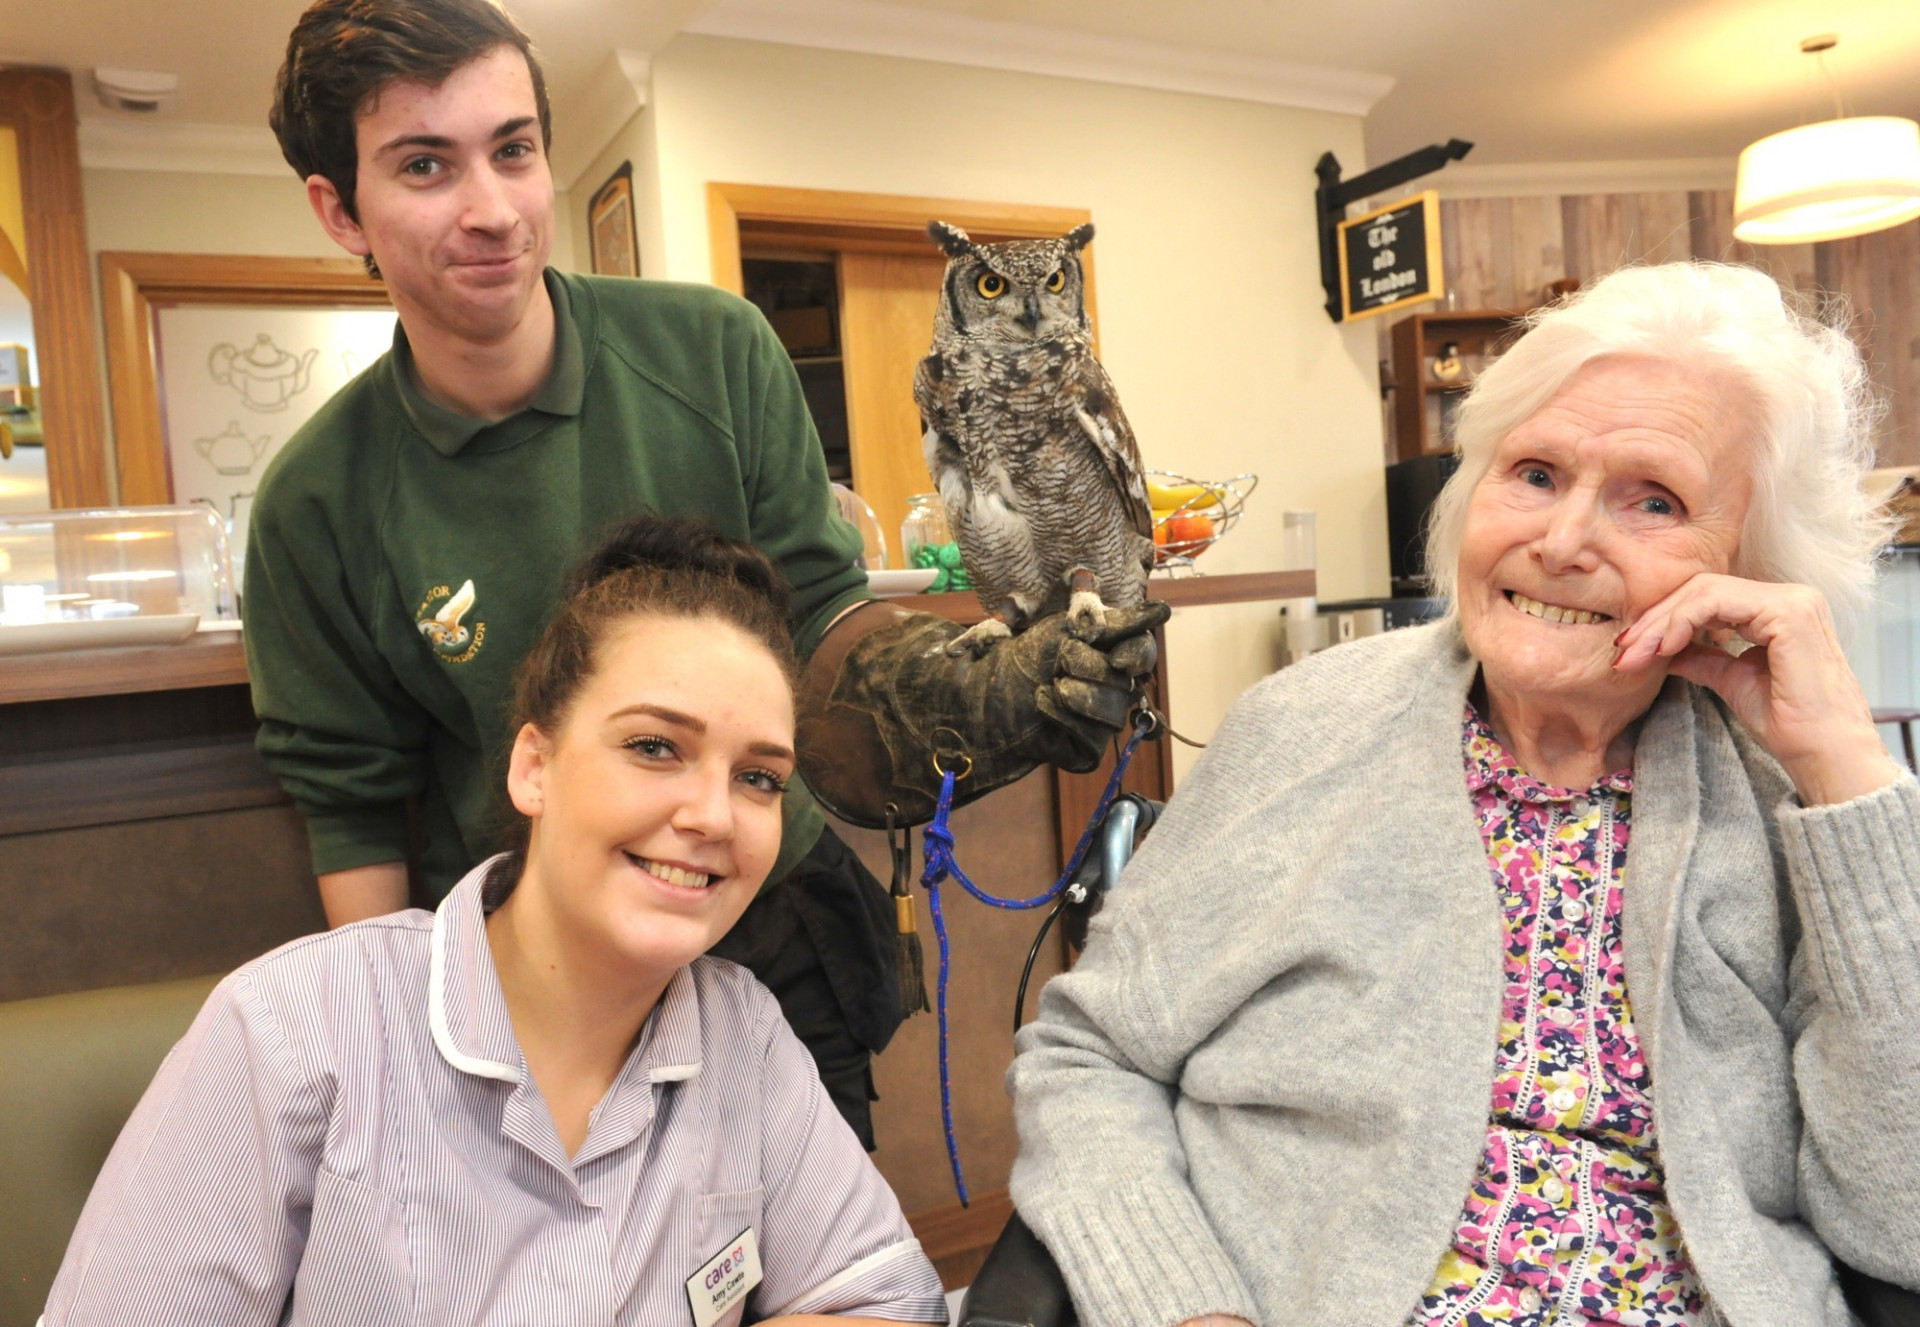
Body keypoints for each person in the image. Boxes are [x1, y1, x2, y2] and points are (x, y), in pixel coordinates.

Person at [248, 0, 1165, 1149]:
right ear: (341, 209)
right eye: (424, 165)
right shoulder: (318, 500)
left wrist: (956, 693)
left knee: (811, 1270)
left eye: (514, 150)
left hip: (771, 934)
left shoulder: (715, 351)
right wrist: (392, 1063)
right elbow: (352, 813)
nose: (491, 208)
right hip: (522, 987)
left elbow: (819, 636)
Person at [1006, 263, 1920, 1327]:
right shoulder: (1302, 732)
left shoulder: (1787, 807)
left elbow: (1900, 1222)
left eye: (1655, 500)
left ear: (1750, 564)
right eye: (1534, 472)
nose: (1565, 540)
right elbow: (1092, 1056)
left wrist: (1846, 765)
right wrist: (1182, 1307)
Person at [44, 515, 950, 1326]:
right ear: (534, 768)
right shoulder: (294, 1028)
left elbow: (878, 1294)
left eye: (757, 776)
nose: (714, 814)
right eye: (653, 747)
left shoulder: (741, 1035)